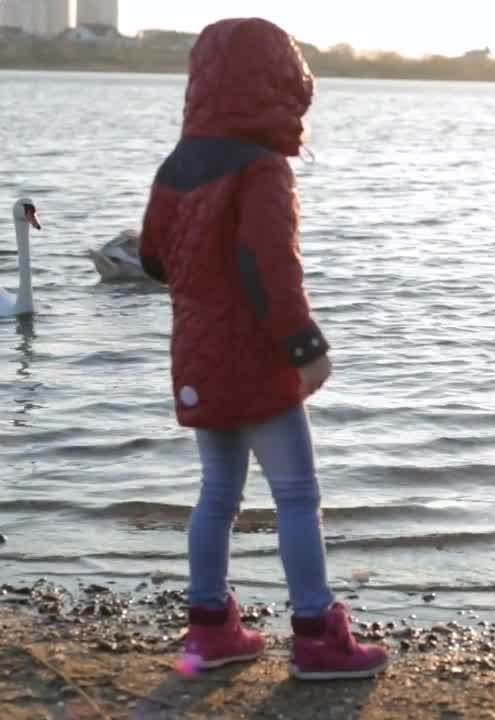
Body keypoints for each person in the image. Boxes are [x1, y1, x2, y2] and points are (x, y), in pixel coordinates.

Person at [137, 17, 388, 681]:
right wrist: (305, 347)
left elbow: (152, 259)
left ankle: (210, 627)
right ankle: (314, 633)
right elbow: (271, 266)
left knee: (217, 494)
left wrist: (202, 286)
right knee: (298, 495)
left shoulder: (177, 165)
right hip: (254, 355)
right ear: (278, 82)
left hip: (195, 355)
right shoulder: (262, 167)